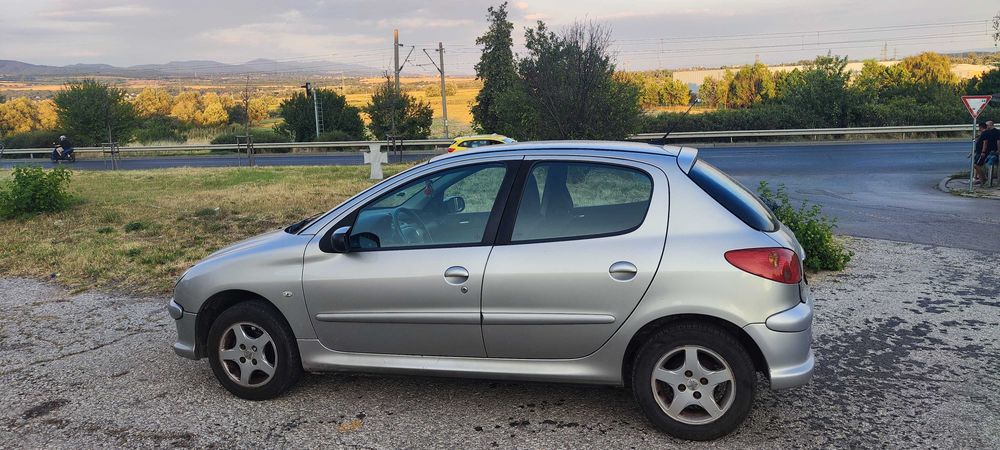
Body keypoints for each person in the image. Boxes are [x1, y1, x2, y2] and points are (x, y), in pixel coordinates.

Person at [981, 121, 1000, 186]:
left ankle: (988, 181)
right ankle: (986, 179)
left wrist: (998, 150)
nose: (986, 126)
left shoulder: (997, 132)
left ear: (991, 125)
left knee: (989, 163)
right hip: (989, 151)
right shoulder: (988, 132)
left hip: (993, 152)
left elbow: (998, 142)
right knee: (983, 164)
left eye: (987, 125)